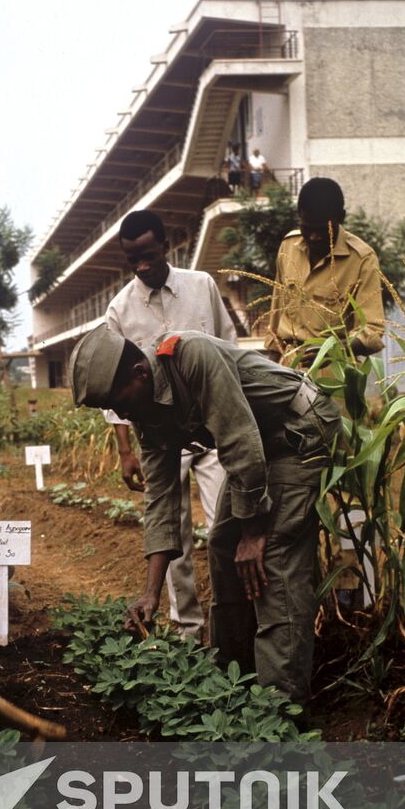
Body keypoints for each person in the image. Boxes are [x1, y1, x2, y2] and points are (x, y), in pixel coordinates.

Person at [69, 324, 340, 714]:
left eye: (119, 402)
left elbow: (238, 439)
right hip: (261, 444)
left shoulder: (190, 356)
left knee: (273, 558)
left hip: (299, 432)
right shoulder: (145, 412)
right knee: (222, 545)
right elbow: (160, 499)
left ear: (139, 373)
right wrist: (151, 593)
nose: (123, 414)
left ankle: (279, 710)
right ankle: (233, 680)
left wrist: (254, 531)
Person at [105, 209, 236, 638]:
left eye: (147, 255)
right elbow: (114, 390)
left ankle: (230, 625)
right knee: (172, 537)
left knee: (224, 528)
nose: (142, 266)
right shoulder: (119, 310)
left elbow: (229, 350)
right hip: (162, 439)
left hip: (215, 432)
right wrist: (126, 451)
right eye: (132, 260)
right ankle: (188, 632)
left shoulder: (202, 287)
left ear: (166, 244)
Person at [263, 177, 385, 368]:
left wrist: (333, 352)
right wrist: (269, 370)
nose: (314, 236)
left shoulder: (362, 259)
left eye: (322, 230)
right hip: (288, 369)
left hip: (335, 374)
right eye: (308, 228)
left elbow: (373, 330)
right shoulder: (288, 247)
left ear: (341, 218)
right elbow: (276, 316)